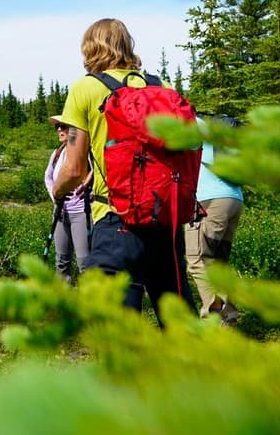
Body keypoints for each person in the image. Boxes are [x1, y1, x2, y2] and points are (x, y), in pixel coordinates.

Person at [52, 18, 194, 322]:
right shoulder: (162, 86)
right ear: (128, 45)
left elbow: (74, 169)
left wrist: (57, 191)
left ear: (91, 48)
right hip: (164, 222)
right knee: (181, 326)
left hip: (116, 220)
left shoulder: (86, 88)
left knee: (118, 330)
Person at [185, 115, 244, 325]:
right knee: (218, 260)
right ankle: (229, 315)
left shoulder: (188, 125)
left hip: (209, 199)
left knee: (198, 259)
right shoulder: (211, 129)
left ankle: (213, 316)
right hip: (234, 198)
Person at [44, 115, 92, 282]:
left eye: (63, 126)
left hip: (81, 213)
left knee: (84, 263)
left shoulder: (85, 152)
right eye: (57, 126)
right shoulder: (57, 153)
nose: (59, 130)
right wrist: (55, 197)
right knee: (61, 261)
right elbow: (48, 177)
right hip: (60, 213)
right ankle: (64, 300)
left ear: (73, 129)